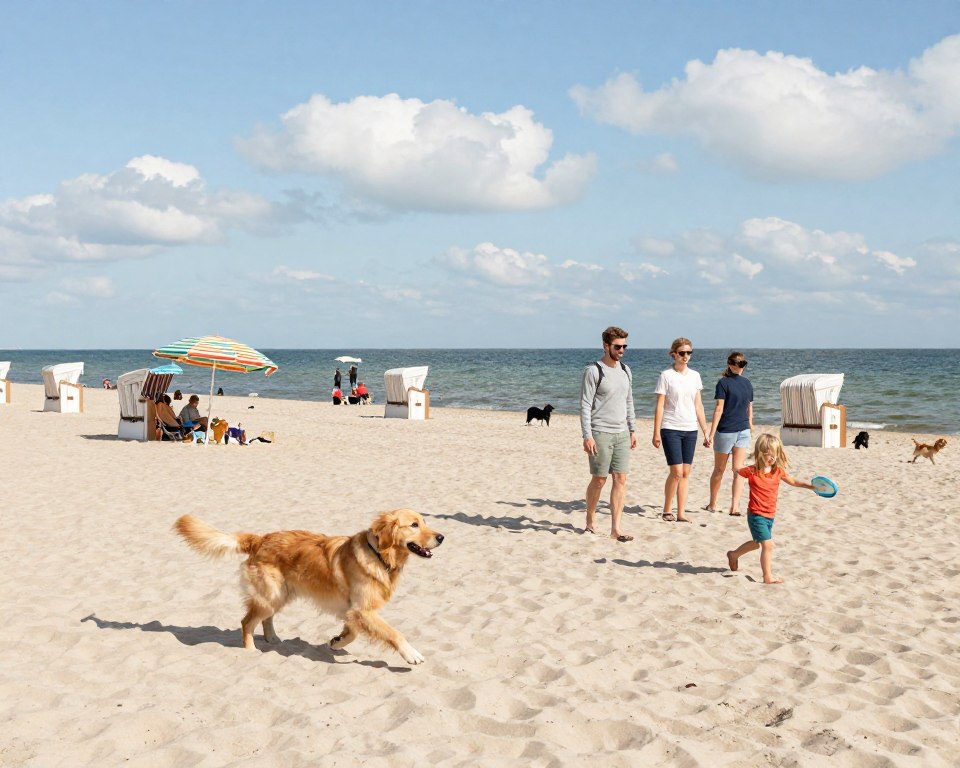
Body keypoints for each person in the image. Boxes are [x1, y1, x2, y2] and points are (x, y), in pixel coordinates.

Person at [726, 434, 816, 584]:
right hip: (756, 514)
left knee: (757, 543)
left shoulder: (778, 471)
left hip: (770, 515)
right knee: (768, 544)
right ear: (760, 453)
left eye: (775, 454)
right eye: (769, 454)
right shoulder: (752, 471)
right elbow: (737, 471)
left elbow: (793, 481)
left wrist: (811, 486)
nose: (772, 458)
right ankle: (767, 577)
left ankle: (734, 555)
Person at [580, 326, 637, 542]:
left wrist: (632, 429)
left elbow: (629, 401)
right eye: (618, 346)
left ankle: (616, 528)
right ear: (606, 346)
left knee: (621, 478)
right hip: (600, 432)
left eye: (625, 346)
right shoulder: (594, 371)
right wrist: (587, 435)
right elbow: (585, 405)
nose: (622, 350)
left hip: (622, 432)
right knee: (599, 480)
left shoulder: (626, 370)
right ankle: (590, 521)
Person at [652, 337, 709, 522]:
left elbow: (698, 405)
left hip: (690, 429)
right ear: (673, 354)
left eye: (689, 353)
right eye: (682, 353)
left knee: (686, 473)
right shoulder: (666, 375)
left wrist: (706, 431)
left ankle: (681, 513)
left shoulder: (695, 376)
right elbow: (660, 406)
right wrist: (656, 432)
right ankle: (667, 509)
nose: (686, 356)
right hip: (670, 428)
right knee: (676, 472)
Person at [704, 352, 754, 516]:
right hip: (729, 430)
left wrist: (750, 425)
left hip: (739, 431)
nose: (740, 366)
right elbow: (719, 408)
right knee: (724, 469)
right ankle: (715, 504)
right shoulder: (724, 383)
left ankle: (733, 506)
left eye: (742, 363)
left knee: (733, 470)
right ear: (730, 364)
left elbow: (749, 409)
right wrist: (711, 433)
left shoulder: (746, 383)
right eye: (737, 363)